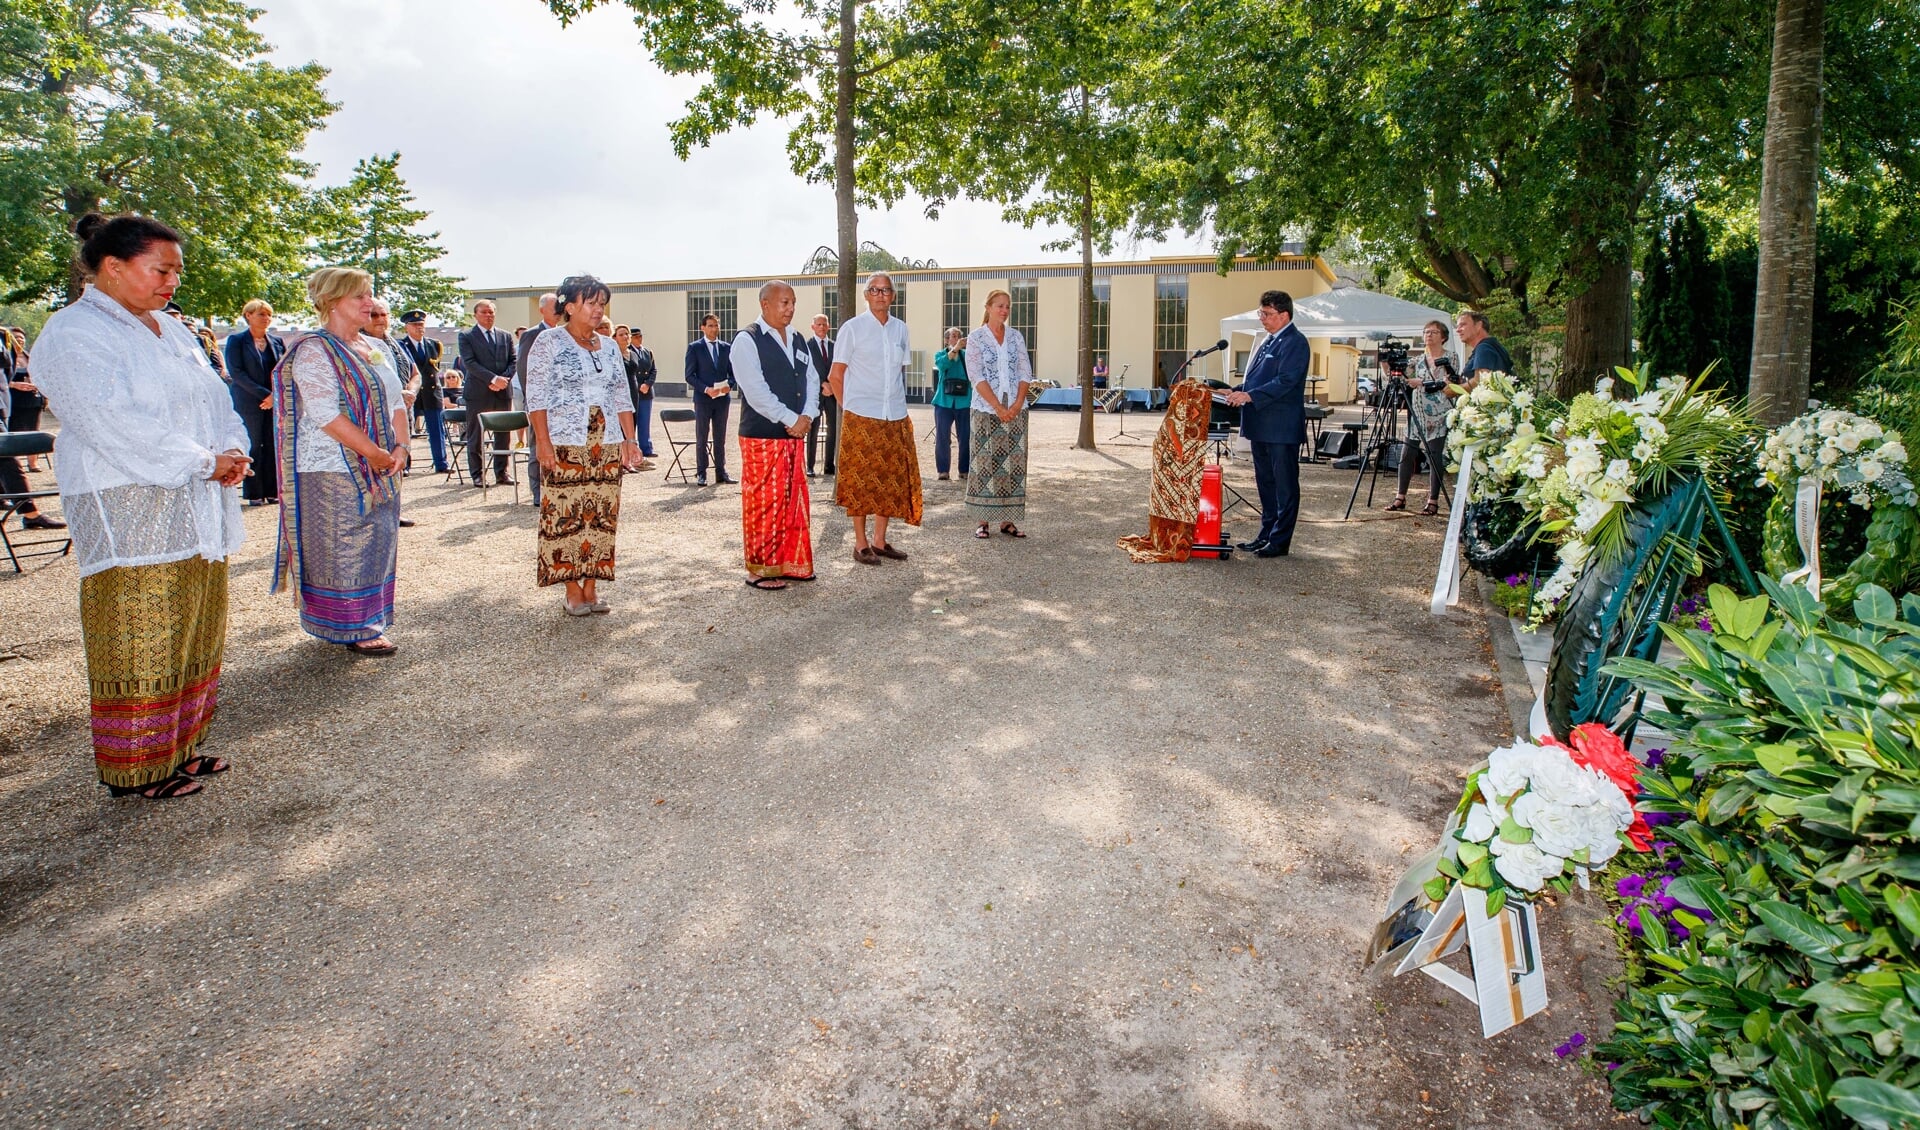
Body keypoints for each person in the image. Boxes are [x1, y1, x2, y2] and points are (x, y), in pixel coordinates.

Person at [31, 212, 249, 799]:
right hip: (132, 505)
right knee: (141, 629)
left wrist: (231, 446)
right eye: (162, 269)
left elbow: (217, 398)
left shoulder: (170, 330)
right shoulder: (74, 332)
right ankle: (136, 769)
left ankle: (180, 746)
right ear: (113, 267)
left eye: (176, 271)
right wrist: (204, 461)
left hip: (196, 501)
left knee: (193, 626)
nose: (172, 281)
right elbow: (107, 419)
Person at [272, 267, 407, 656]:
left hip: (382, 460)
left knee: (379, 537)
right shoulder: (314, 349)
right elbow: (324, 413)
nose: (370, 303)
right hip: (332, 464)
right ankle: (350, 624)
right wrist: (374, 453)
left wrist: (400, 448)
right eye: (359, 296)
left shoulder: (371, 347)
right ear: (331, 302)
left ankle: (372, 615)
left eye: (369, 294)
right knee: (344, 541)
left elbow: (395, 400)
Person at [525, 275, 642, 615]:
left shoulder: (607, 346)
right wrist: (542, 443)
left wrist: (628, 439)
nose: (597, 309)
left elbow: (621, 394)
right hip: (565, 439)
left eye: (601, 303)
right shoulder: (549, 342)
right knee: (566, 516)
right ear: (569, 306)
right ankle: (572, 589)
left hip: (604, 441)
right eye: (591, 302)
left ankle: (592, 587)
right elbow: (536, 396)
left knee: (601, 516)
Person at [731, 281, 818, 589]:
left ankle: (792, 564)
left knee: (792, 500)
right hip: (762, 434)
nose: (790, 308)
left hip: (794, 434)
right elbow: (755, 391)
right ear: (765, 304)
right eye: (784, 303)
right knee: (764, 501)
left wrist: (807, 415)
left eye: (793, 302)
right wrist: (791, 418)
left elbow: (811, 378)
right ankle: (760, 569)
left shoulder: (797, 339)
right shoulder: (747, 340)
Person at [829, 272, 920, 564]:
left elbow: (899, 372)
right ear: (866, 295)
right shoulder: (852, 329)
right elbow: (835, 375)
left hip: (893, 414)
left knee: (889, 480)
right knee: (860, 482)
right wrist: (850, 409)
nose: (881, 295)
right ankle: (860, 543)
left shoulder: (901, 329)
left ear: (893, 296)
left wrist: (899, 407)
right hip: (861, 417)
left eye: (886, 290)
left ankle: (880, 540)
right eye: (875, 290)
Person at [1224, 289, 1307, 558]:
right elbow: (1257, 380)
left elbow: (1285, 381)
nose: (1262, 318)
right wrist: (1235, 390)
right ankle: (1266, 533)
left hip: (1281, 428)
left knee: (1284, 486)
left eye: (1267, 314)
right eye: (1261, 313)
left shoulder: (1295, 342)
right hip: (1261, 425)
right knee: (1266, 484)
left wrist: (1250, 395)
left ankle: (1280, 541)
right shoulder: (1270, 341)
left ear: (1284, 315)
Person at [1116, 378, 1214, 562]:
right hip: (1172, 451)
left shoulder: (1188, 421)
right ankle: (1162, 536)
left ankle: (1173, 535)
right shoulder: (1176, 421)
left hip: (1182, 455)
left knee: (1179, 487)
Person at [964, 291, 1033, 538]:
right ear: (989, 307)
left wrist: (1016, 404)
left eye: (1007, 306)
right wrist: (998, 406)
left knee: (1013, 463)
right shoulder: (976, 338)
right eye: (999, 306)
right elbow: (976, 375)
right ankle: (983, 521)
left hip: (1016, 406)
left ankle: (1007, 520)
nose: (1004, 310)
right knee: (985, 462)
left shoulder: (1015, 337)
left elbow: (1026, 371)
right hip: (985, 408)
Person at [1390, 319, 1460, 515]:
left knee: (1434, 457)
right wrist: (1389, 362)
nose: (1429, 335)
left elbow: (1448, 381)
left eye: (1434, 332)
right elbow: (1401, 376)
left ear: (1443, 337)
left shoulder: (1451, 357)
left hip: (1439, 413)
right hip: (1417, 412)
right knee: (1406, 455)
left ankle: (1433, 500)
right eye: (1426, 332)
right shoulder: (1417, 359)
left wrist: (1419, 382)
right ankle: (1400, 497)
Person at [223, 299, 285, 505]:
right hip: (249, 402)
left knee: (271, 445)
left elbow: (283, 371)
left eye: (268, 315)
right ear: (248, 316)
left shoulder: (277, 342)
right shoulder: (236, 341)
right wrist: (263, 395)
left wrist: (274, 396)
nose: (266, 318)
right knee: (252, 446)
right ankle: (254, 492)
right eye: (261, 314)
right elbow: (236, 372)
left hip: (273, 402)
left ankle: (272, 490)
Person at [367, 300, 418, 528]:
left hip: (399, 412)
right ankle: (375, 511)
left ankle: (394, 509)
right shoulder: (358, 344)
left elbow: (415, 373)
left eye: (383, 315)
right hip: (374, 415)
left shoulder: (397, 346)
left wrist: (411, 391)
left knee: (398, 460)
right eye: (374, 315)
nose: (379, 319)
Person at [458, 299, 516, 485]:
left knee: (503, 434)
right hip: (478, 392)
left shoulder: (505, 336)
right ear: (476, 315)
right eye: (484, 312)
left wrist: (503, 380)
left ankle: (502, 472)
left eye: (491, 312)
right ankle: (477, 474)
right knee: (475, 434)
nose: (488, 315)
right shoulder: (466, 336)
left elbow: (513, 361)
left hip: (502, 391)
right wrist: (492, 379)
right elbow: (470, 363)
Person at [517, 293, 562, 503]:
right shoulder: (532, 335)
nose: (558, 311)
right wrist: (533, 401)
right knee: (538, 445)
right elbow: (525, 370)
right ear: (542, 309)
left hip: (560, 404)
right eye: (554, 307)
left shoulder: (565, 334)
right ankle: (537, 492)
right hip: (540, 403)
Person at [685, 312, 735, 485]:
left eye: (716, 325)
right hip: (704, 399)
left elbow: (733, 371)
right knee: (702, 437)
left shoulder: (726, 347)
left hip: (722, 399)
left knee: (720, 437)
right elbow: (689, 376)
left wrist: (730, 384)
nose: (714, 329)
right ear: (703, 328)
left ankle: (721, 472)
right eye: (711, 325)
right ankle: (701, 473)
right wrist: (706, 389)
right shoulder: (695, 348)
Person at [398, 309, 449, 473]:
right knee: (406, 430)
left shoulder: (434, 344)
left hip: (432, 393)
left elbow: (435, 368)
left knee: (436, 429)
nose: (419, 328)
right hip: (412, 392)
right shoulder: (401, 346)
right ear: (407, 327)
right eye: (414, 325)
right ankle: (405, 464)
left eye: (421, 324)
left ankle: (441, 463)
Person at [929, 326, 971, 482]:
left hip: (964, 402)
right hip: (943, 402)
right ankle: (943, 471)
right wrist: (955, 349)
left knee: (965, 437)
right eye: (953, 336)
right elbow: (942, 365)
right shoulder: (940, 354)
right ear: (947, 340)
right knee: (942, 438)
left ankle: (964, 470)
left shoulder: (967, 356)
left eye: (958, 336)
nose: (956, 338)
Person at [7, 325, 49, 472]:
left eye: (22, 338)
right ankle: (14, 463)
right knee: (13, 431)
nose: (19, 340)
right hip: (13, 400)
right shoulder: (6, 357)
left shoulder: (29, 356)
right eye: (16, 338)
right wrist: (14, 384)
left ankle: (33, 463)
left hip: (32, 399)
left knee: (34, 430)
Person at [616, 324, 659, 468]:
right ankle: (625, 459)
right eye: (635, 336)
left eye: (639, 336)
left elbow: (653, 370)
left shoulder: (644, 352)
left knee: (641, 422)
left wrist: (648, 384)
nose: (637, 339)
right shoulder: (614, 353)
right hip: (624, 390)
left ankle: (640, 451)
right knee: (624, 426)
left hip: (640, 392)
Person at [804, 313, 837, 478]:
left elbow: (838, 366)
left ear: (828, 326)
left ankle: (829, 465)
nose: (822, 327)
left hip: (832, 393)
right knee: (813, 430)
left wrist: (831, 384)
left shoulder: (834, 346)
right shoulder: (806, 346)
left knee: (834, 429)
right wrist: (822, 384)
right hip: (815, 394)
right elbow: (807, 369)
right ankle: (809, 466)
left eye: (824, 324)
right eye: (818, 324)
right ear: (813, 327)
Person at [1454, 309, 1514, 387]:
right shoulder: (1491, 346)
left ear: (1479, 325)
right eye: (1457, 326)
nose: (1458, 330)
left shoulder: (1483, 348)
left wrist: (1455, 389)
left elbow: (1480, 381)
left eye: (1463, 325)